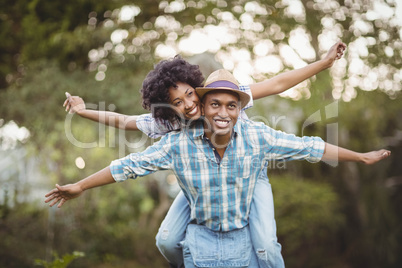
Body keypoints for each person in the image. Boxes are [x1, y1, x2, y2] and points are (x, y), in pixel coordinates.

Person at [47, 69, 391, 267]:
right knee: (166, 240)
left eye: (190, 97)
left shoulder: (248, 126)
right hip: (192, 181)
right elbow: (126, 152)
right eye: (179, 103)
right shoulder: (170, 131)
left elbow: (289, 105)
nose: (188, 106)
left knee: (267, 247)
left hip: (249, 174)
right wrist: (82, 115)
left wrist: (360, 155)